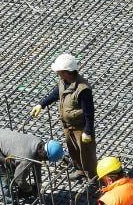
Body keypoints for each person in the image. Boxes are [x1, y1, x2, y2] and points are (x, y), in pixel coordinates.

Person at [31, 53, 96, 181]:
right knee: (73, 151)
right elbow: (56, 94)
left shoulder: (83, 89)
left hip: (81, 128)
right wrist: (41, 104)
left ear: (68, 72)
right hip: (68, 126)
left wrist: (88, 131)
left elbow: (89, 112)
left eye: (60, 72)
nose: (58, 74)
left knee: (86, 153)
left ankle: (92, 177)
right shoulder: (63, 82)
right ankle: (80, 171)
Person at [0, 128, 63, 205]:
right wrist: (28, 189)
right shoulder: (25, 159)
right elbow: (19, 179)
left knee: (15, 171)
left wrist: (39, 183)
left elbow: (37, 162)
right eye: (47, 159)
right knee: (5, 179)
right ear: (45, 155)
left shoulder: (38, 143)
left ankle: (19, 193)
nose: (46, 161)